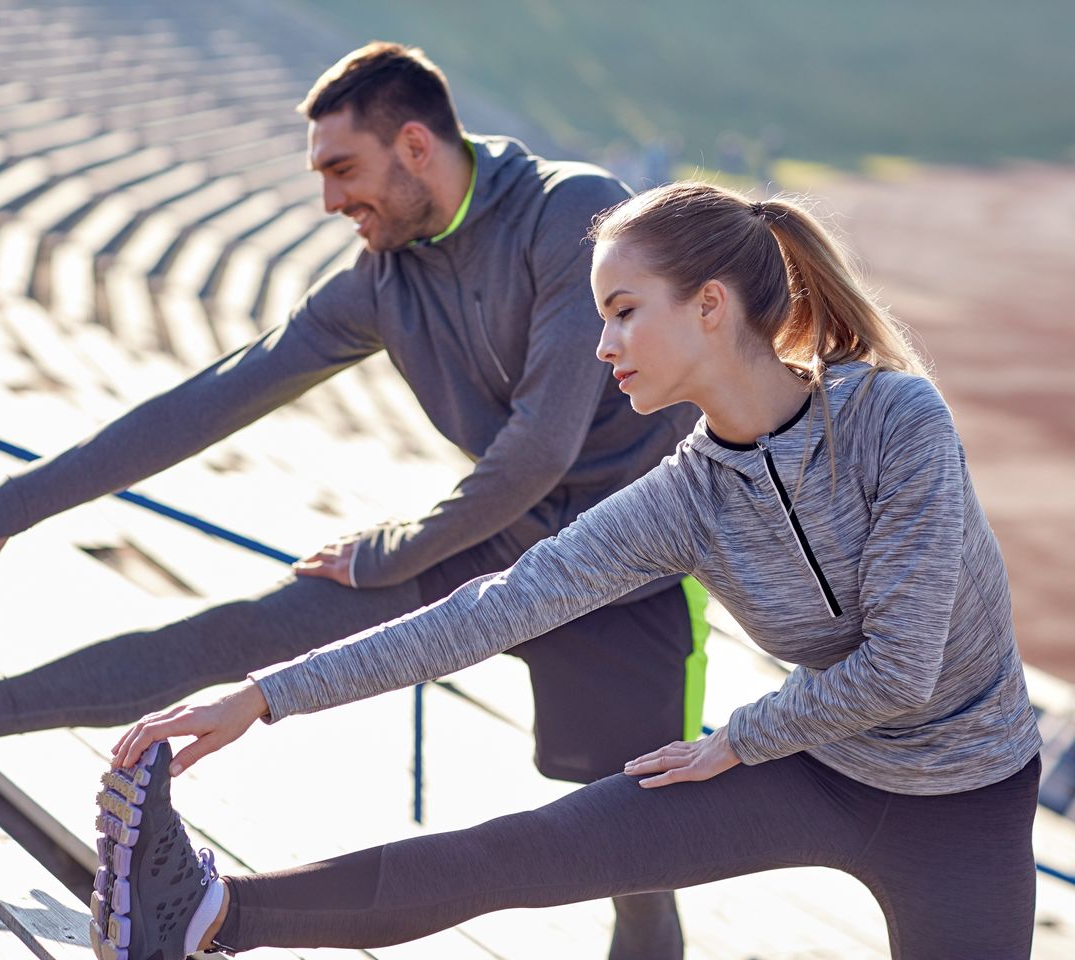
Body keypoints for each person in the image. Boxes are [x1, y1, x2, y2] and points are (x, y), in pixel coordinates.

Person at [0, 43, 703, 959]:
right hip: (492, 535)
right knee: (239, 636)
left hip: (626, 567)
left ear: (414, 144)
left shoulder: (572, 213)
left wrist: (389, 552)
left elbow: (539, 449)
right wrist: (0, 509)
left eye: (342, 169)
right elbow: (211, 397)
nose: (329, 200)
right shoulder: (385, 279)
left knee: (634, 857)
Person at [91, 180, 1043, 960]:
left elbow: (903, 667)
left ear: (711, 305)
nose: (603, 345)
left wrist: (741, 739)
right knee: (530, 853)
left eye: (625, 312)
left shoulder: (896, 420)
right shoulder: (686, 497)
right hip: (814, 763)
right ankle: (210, 916)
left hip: (964, 801)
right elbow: (490, 612)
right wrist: (261, 697)